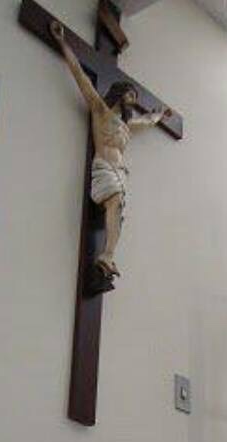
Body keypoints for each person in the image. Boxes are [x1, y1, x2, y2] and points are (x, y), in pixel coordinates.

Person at [50, 20, 171, 280]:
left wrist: (160, 114)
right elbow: (80, 77)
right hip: (104, 167)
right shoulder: (101, 111)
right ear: (119, 93)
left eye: (135, 99)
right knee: (114, 201)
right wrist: (63, 43)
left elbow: (147, 120)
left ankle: (108, 256)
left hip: (119, 172)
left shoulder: (127, 125)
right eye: (131, 95)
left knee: (117, 210)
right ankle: (106, 255)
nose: (133, 101)